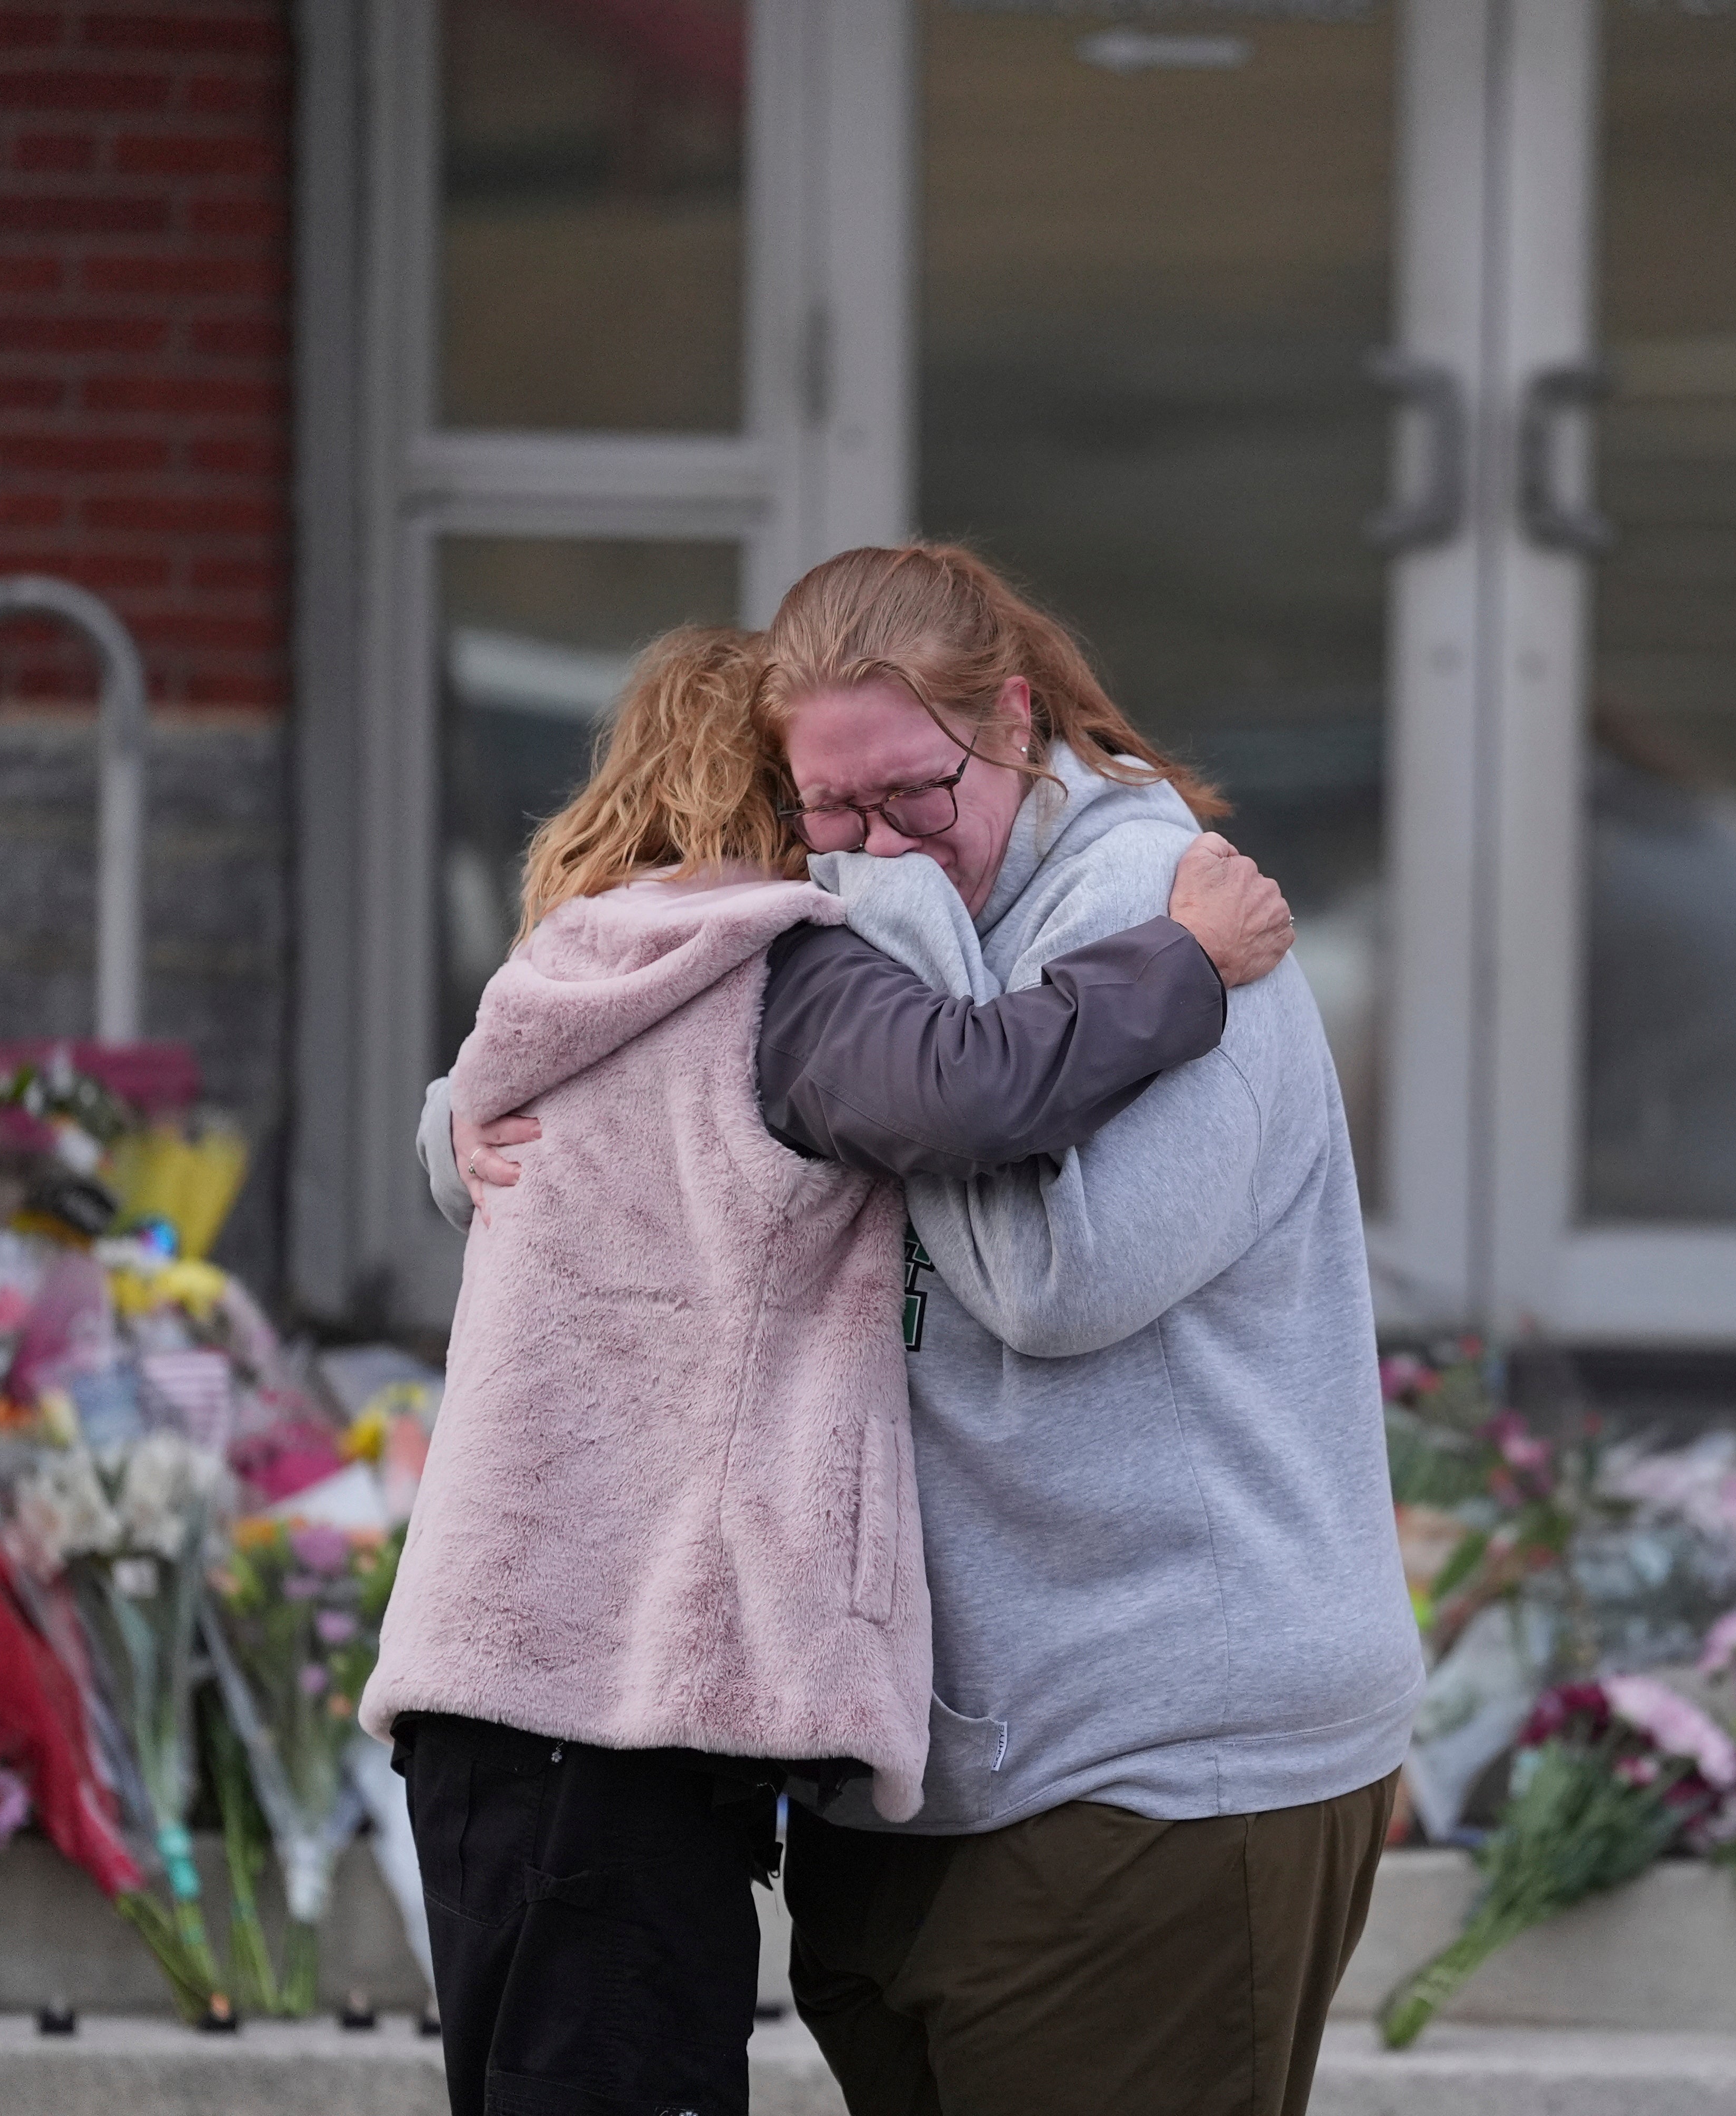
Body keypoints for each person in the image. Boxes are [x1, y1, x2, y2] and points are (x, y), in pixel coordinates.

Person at [368, 624, 1299, 2116]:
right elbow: (982, 1087)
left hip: (510, 1687)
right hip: (607, 1709)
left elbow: (471, 1122)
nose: (872, 843)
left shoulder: (578, 967)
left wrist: (444, 1127)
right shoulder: (778, 977)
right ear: (774, 791)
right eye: (835, 801)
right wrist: (1186, 957)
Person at [575, 542, 1420, 2116]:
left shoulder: (1169, 914)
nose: (877, 849)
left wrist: (907, 961)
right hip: (927, 1773)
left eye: (916, 796)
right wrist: (457, 1126)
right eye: (831, 809)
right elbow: (612, 1034)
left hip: (1161, 1751)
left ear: (1014, 723)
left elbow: (1058, 1281)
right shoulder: (838, 900)